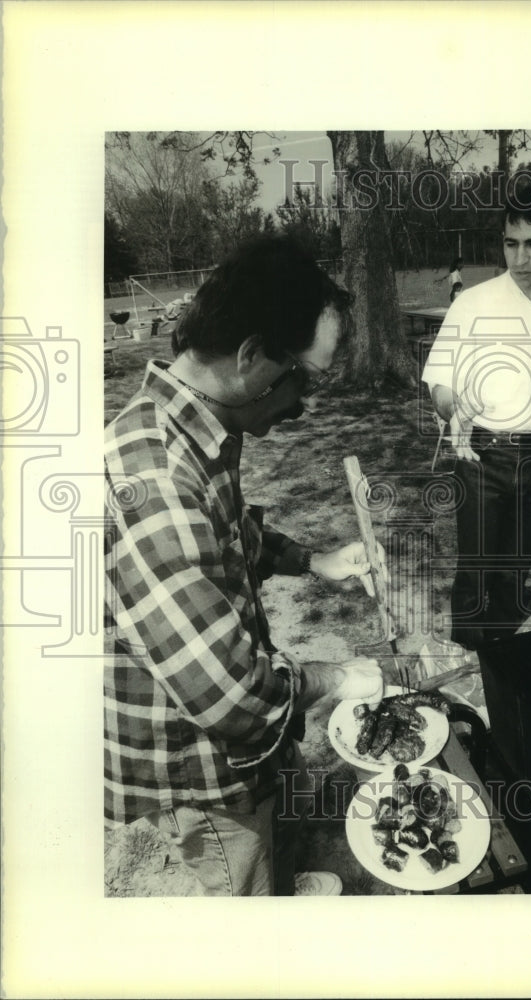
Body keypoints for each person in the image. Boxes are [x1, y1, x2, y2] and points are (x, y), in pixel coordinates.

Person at [104, 233, 384, 896]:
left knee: (267, 834)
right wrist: (334, 676)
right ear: (252, 357)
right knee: (241, 875)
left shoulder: (190, 427)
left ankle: (277, 880)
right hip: (197, 759)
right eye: (303, 379)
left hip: (232, 747)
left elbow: (229, 538)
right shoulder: (157, 480)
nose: (302, 405)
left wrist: (313, 561)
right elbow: (228, 696)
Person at [421, 181, 531, 650]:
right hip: (484, 453)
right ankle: (471, 671)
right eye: (511, 244)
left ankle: (501, 666)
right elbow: (438, 383)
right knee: (477, 571)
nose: (520, 258)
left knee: (516, 570)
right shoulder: (473, 302)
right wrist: (456, 405)